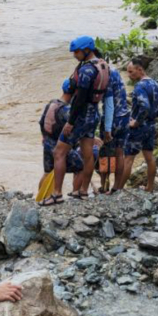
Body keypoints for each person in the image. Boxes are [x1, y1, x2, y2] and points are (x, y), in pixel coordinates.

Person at [41, 36, 113, 206]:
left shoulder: (87, 70)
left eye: (77, 52)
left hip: (81, 115)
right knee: (88, 154)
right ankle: (83, 191)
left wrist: (70, 122)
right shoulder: (103, 65)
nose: (75, 55)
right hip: (94, 113)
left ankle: (57, 194)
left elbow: (79, 98)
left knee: (59, 152)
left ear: (87, 50)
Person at [117, 58, 158, 193]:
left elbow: (145, 106)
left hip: (138, 128)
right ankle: (150, 187)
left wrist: (136, 122)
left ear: (140, 69)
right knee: (149, 157)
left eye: (131, 72)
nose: (129, 75)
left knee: (129, 158)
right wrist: (152, 117)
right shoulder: (155, 84)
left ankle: (119, 189)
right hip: (151, 126)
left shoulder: (140, 87)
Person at [104, 63, 131, 193]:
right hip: (125, 116)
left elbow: (109, 104)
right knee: (120, 154)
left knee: (107, 154)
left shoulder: (105, 75)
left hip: (114, 119)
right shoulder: (115, 71)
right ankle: (117, 187)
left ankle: (104, 186)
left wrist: (107, 128)